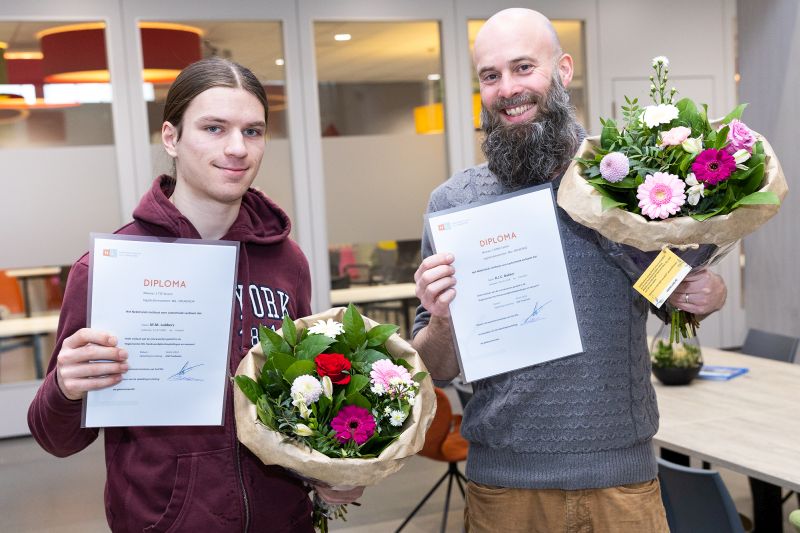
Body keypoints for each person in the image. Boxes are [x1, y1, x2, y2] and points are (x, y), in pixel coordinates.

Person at [412, 9, 727, 533]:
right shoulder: (453, 203)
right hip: (504, 490)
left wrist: (704, 293)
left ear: (562, 70)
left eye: (523, 68)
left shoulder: (627, 185)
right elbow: (436, 369)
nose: (508, 89)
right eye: (491, 76)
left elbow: (669, 291)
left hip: (621, 484)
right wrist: (441, 320)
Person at [27, 57, 361, 532]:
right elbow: (55, 438)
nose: (236, 148)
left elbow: (303, 400)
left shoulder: (287, 262)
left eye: (253, 131)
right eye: (214, 128)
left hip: (283, 519)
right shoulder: (110, 270)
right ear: (171, 138)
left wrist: (333, 468)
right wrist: (64, 387)